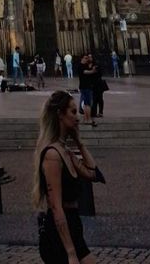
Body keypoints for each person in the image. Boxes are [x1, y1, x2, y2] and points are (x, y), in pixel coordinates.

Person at [33, 89, 98, 264]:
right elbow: (56, 206)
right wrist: (70, 253)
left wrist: (79, 142)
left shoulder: (66, 152)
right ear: (60, 115)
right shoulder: (53, 155)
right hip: (58, 234)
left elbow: (93, 173)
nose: (78, 117)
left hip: (73, 225)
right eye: (73, 111)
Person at [78, 55, 101, 127]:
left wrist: (92, 69)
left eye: (87, 58)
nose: (87, 59)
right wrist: (92, 71)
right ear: (82, 59)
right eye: (85, 58)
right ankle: (88, 119)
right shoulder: (81, 66)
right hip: (85, 87)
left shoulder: (85, 65)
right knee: (87, 104)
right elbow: (85, 72)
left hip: (86, 86)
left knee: (86, 103)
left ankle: (86, 118)